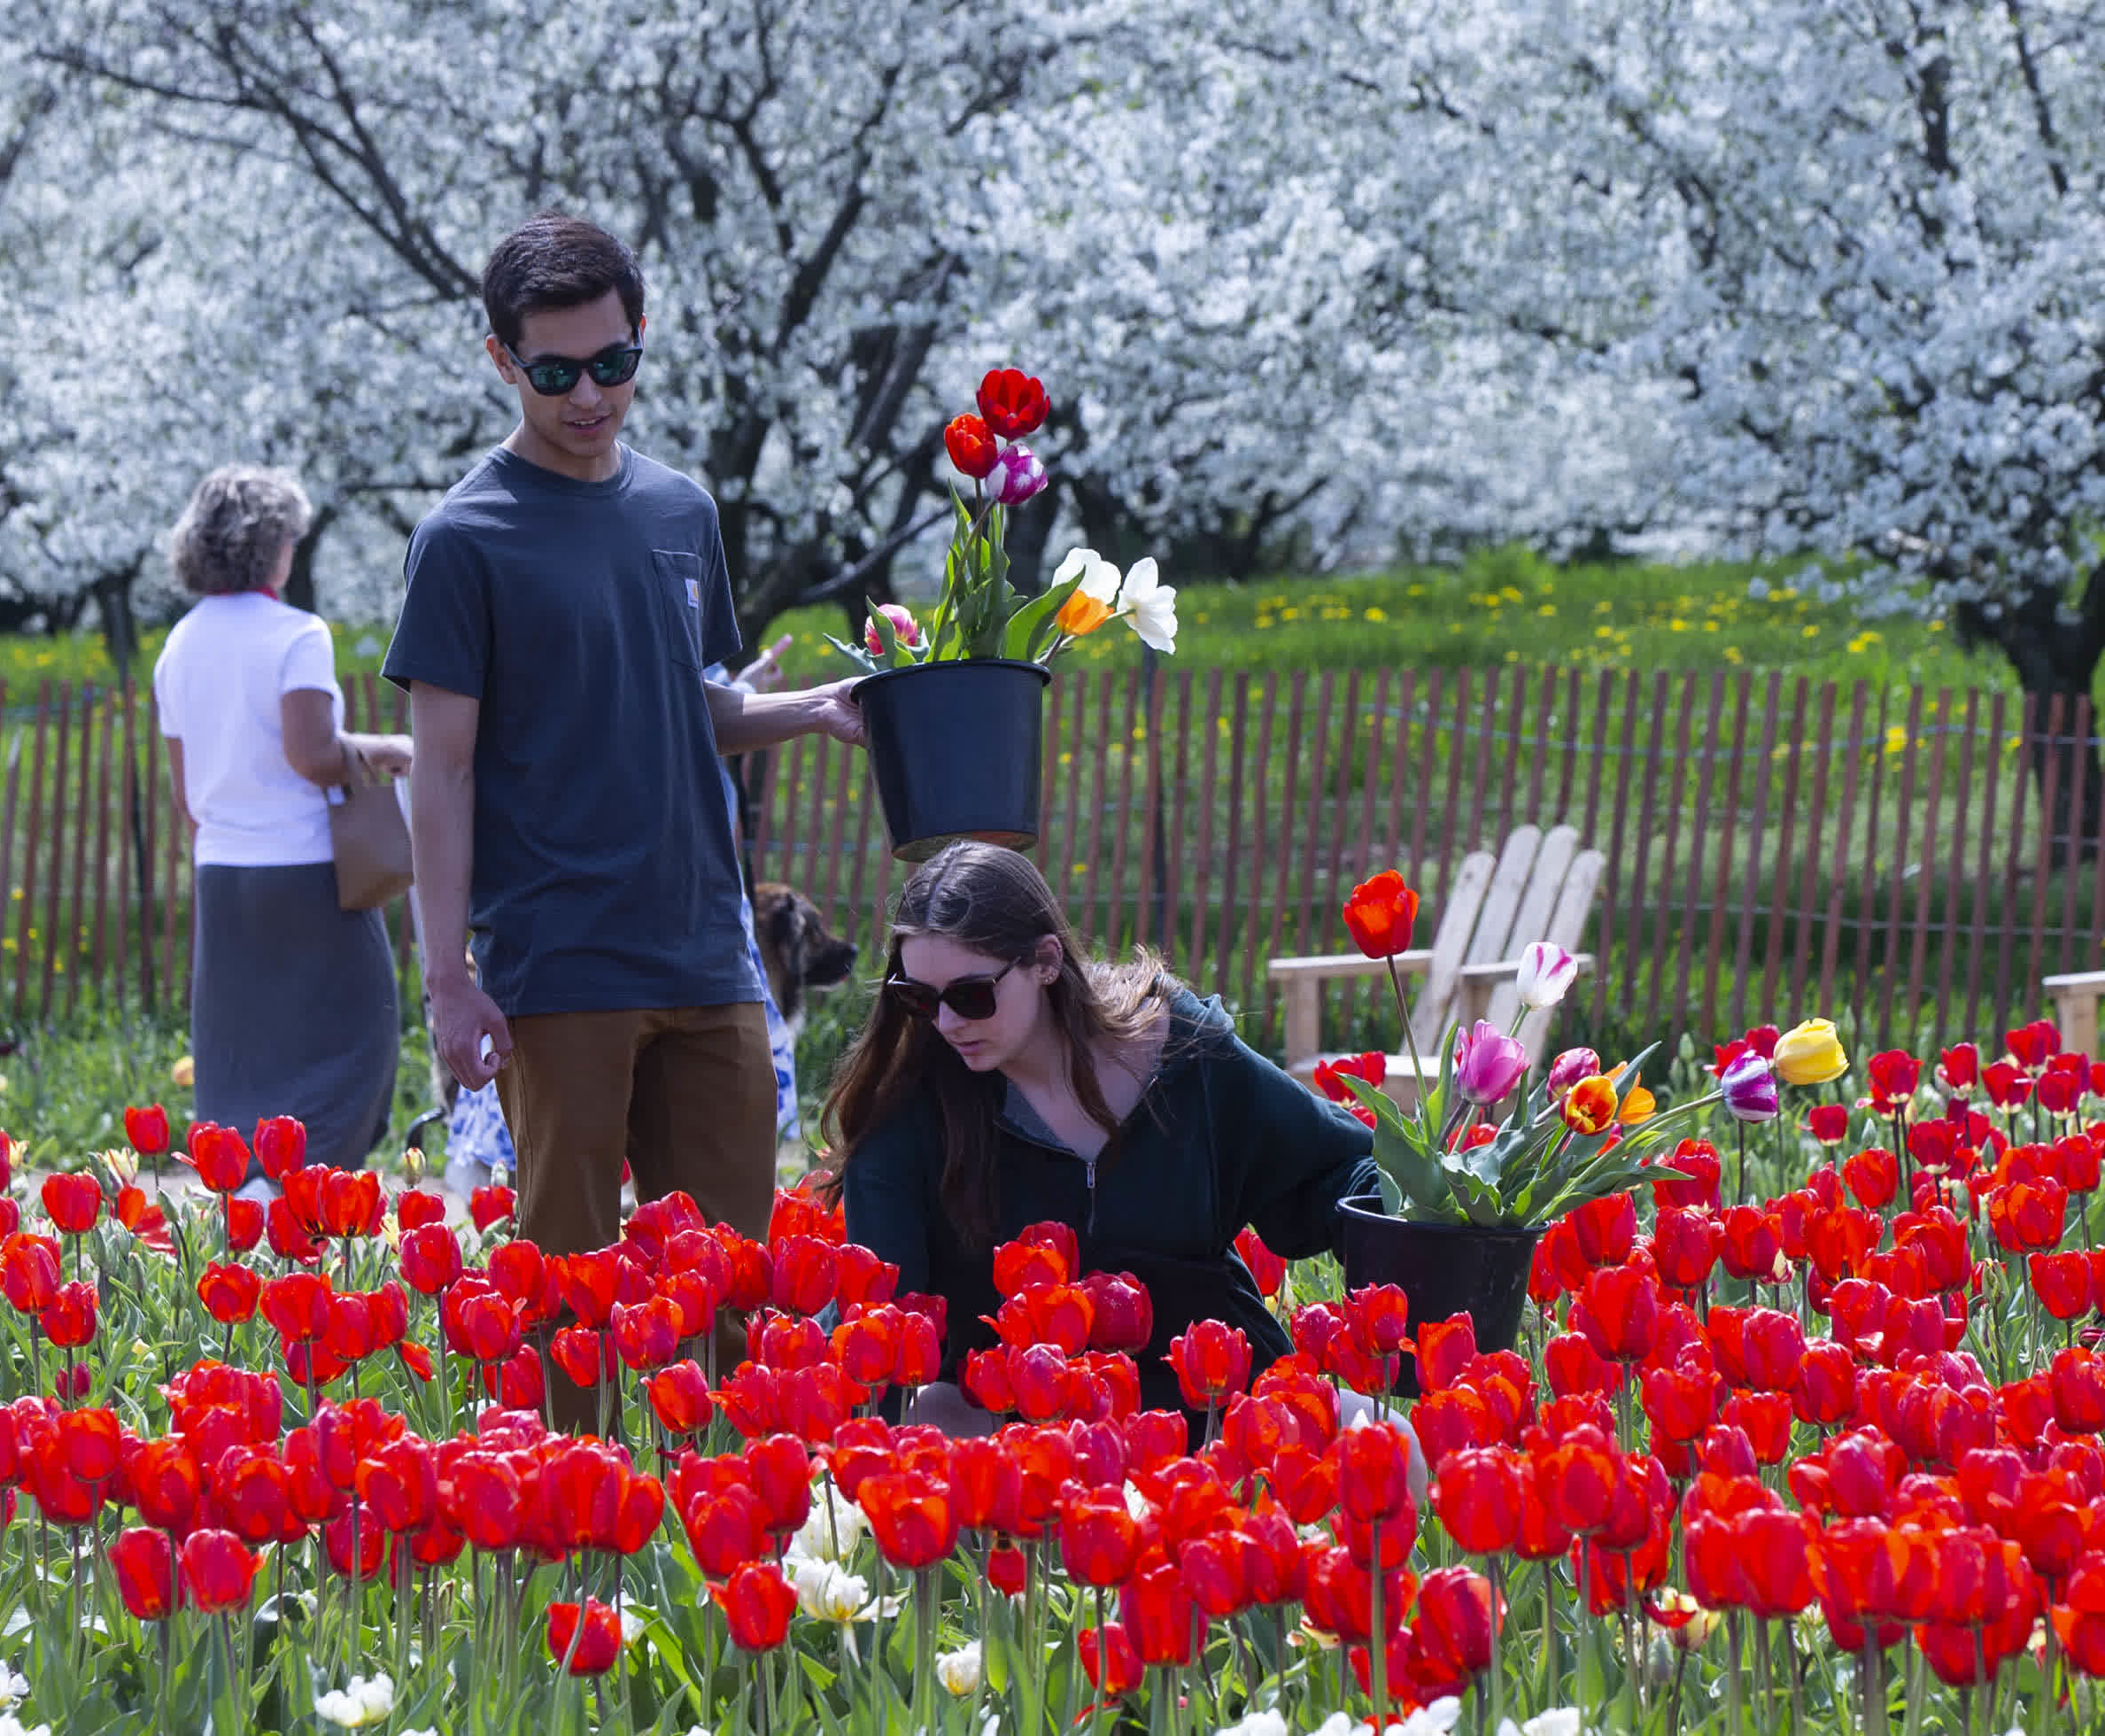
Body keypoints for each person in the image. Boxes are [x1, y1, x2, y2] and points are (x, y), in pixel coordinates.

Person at [385, 214, 862, 1361]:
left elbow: (687, 703)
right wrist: (446, 982)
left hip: (707, 951)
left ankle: (738, 1482)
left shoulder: (680, 512)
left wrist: (813, 708)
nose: (590, 394)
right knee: (571, 1306)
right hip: (559, 967)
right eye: (555, 372)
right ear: (501, 359)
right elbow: (441, 770)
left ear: (641, 335)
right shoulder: (464, 539)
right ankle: (572, 1484)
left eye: (614, 361)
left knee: (740, 1298)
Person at [830, 844, 1376, 1434]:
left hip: (1209, 1405)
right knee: (929, 1416)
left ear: (1045, 961)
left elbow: (1335, 1170)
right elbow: (880, 1325)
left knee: (1385, 1437)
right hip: (1022, 1429)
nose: (946, 1022)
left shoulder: (1181, 1051)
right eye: (918, 998)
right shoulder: (908, 1117)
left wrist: (1418, 1238)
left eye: (971, 995)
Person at [151, 466, 409, 1170]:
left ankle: (247, 1187)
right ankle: (311, 1188)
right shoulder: (298, 634)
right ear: (273, 547)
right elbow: (314, 756)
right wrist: (387, 748)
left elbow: (186, 794)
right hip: (310, 871)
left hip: (223, 874)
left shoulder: (179, 645)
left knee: (242, 1049)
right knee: (360, 1032)